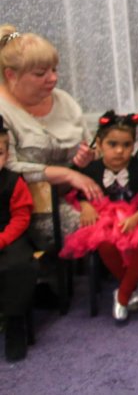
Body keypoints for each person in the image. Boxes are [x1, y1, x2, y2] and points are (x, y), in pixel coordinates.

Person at [60, 111, 138, 323]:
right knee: (104, 244)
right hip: (105, 218)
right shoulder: (92, 169)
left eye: (126, 145)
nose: (120, 150)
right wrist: (86, 206)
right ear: (100, 145)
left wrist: (136, 218)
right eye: (113, 144)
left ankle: (122, 296)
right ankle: (131, 285)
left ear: (134, 145)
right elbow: (78, 193)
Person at [0, 26, 101, 246]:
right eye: (40, 74)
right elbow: (8, 167)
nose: (53, 79)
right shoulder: (3, 111)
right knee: (101, 229)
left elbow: (93, 146)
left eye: (54, 70)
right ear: (10, 75)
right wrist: (66, 174)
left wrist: (89, 156)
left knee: (134, 219)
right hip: (32, 209)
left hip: (79, 195)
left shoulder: (64, 100)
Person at [0, 116, 37, 361]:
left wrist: (2, 239)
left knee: (17, 266)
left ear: (7, 154)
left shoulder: (13, 181)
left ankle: (14, 323)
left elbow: (21, 217)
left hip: (10, 236)